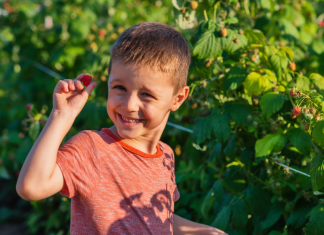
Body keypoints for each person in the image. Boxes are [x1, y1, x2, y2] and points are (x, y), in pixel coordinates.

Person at [16, 22, 227, 235]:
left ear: (178, 98)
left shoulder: (166, 157)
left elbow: (155, 218)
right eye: (120, 88)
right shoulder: (92, 149)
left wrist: (204, 231)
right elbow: (31, 187)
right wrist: (61, 116)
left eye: (146, 94)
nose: (129, 105)